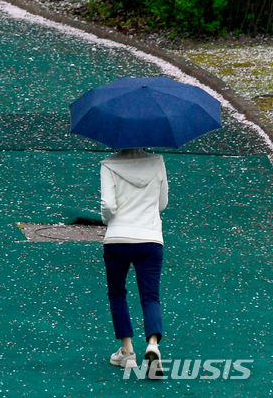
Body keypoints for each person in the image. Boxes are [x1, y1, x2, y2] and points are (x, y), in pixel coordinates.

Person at [100, 147, 168, 379]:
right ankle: (152, 345)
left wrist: (107, 219)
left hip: (117, 238)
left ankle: (127, 351)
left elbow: (108, 206)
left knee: (117, 292)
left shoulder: (109, 165)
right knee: (150, 295)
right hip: (150, 238)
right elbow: (162, 203)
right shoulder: (158, 161)